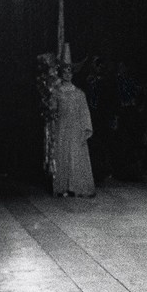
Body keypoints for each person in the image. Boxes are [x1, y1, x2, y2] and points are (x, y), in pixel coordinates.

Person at [52, 44, 96, 197]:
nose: (67, 74)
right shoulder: (57, 93)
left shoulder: (79, 94)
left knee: (75, 155)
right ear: (61, 72)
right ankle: (62, 186)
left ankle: (75, 186)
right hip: (62, 128)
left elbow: (84, 112)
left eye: (70, 71)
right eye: (65, 71)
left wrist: (85, 128)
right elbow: (53, 111)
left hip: (75, 129)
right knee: (63, 155)